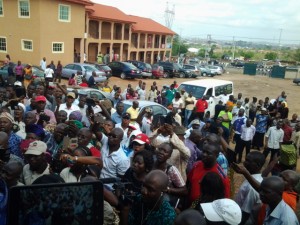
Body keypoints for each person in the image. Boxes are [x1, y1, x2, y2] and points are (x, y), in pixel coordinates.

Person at [233, 151, 266, 225]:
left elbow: (245, 213)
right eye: (245, 159)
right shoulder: (254, 178)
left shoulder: (251, 188)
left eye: (248, 161)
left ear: (257, 165)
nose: (244, 163)